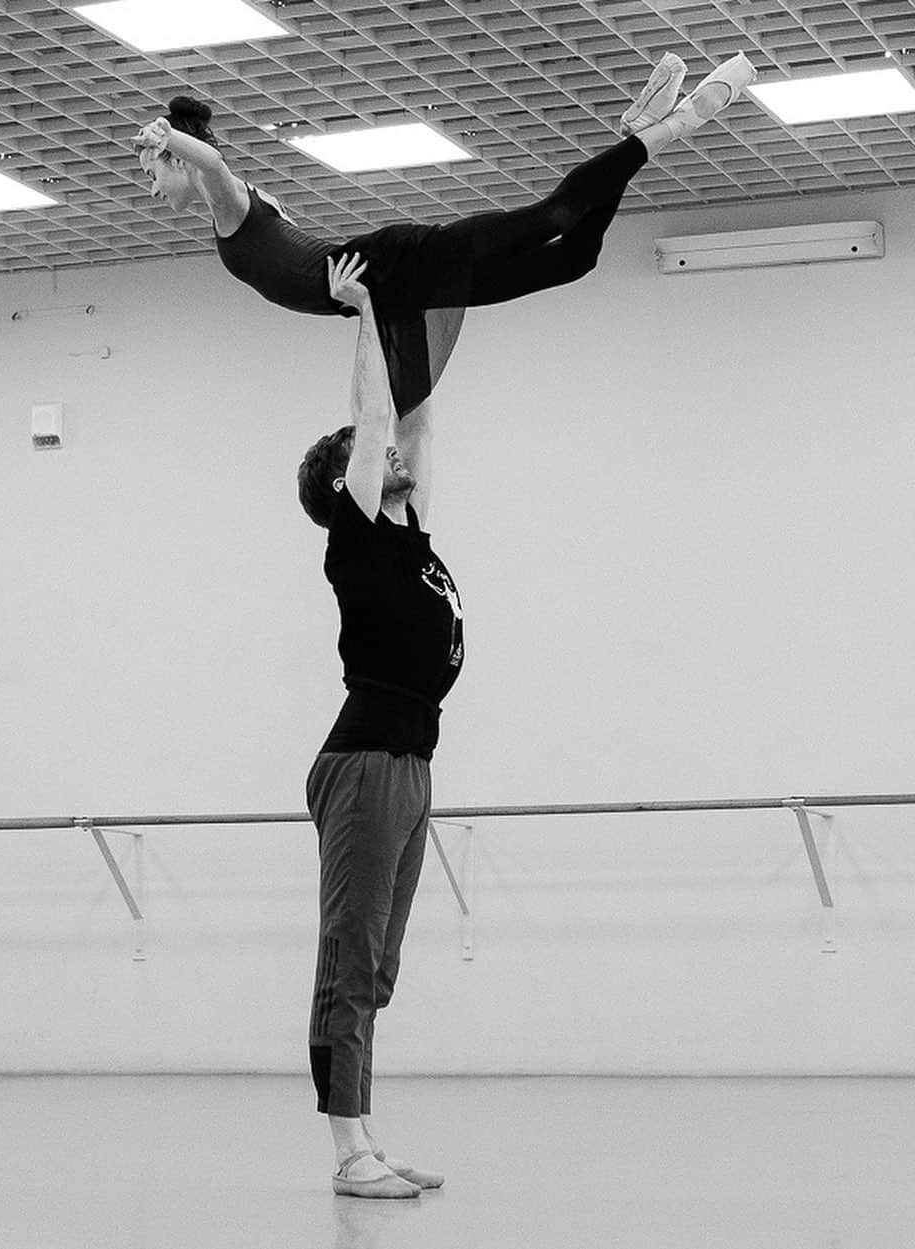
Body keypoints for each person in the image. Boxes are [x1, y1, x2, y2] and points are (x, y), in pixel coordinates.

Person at [133, 52, 757, 418]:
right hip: (398, 290)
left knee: (552, 218)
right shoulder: (244, 206)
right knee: (574, 260)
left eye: (152, 173)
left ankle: (668, 128)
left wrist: (168, 135)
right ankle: (638, 130)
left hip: (389, 264)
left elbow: (213, 164)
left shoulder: (226, 204)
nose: (151, 190)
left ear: (177, 161)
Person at [296, 252, 463, 1198]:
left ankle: (365, 1130)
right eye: (370, 452)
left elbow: (416, 416)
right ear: (347, 485)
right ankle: (346, 1148)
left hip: (411, 760)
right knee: (350, 959)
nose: (391, 449)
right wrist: (361, 310)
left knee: (381, 962)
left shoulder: (412, 539)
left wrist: (416, 323)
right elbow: (374, 422)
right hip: (364, 760)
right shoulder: (355, 541)